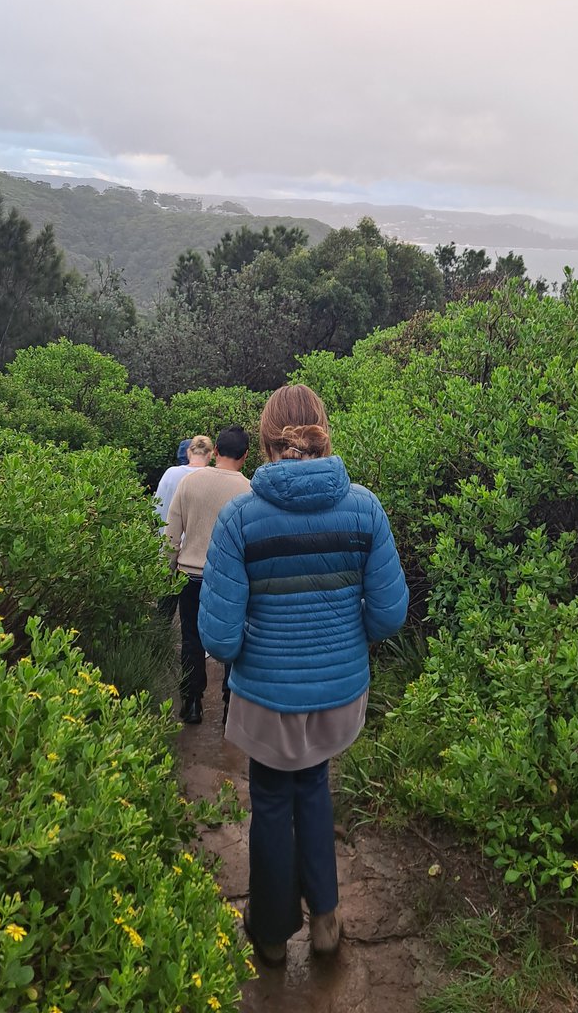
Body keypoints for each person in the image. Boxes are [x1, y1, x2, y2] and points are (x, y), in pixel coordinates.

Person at [198, 384, 408, 966]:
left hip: (266, 698)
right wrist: (343, 638)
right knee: (314, 785)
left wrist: (258, 647)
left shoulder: (241, 516)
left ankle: (268, 933)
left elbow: (218, 636)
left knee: (269, 798)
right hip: (338, 693)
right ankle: (326, 920)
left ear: (266, 440)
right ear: (323, 431)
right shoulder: (364, 507)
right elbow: (389, 614)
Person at [166, 426, 251, 725]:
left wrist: (168, 570)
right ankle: (230, 707)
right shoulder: (249, 491)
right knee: (233, 639)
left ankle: (191, 703)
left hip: (190, 575)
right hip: (230, 580)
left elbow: (172, 535)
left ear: (215, 452)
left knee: (192, 639)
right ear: (245, 456)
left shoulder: (190, 483)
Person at [154, 436, 211, 525]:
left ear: (189, 452)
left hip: (167, 536)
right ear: (209, 455)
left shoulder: (170, 473)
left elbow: (156, 509)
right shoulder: (213, 477)